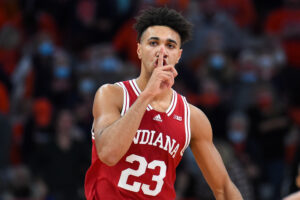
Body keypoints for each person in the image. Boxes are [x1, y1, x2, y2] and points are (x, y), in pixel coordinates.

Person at [84, 7, 243, 200]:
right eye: (153, 43)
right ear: (139, 50)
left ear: (178, 55)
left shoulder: (191, 117)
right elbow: (108, 154)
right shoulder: (112, 95)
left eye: (170, 45)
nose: (162, 51)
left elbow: (223, 188)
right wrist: (147, 95)